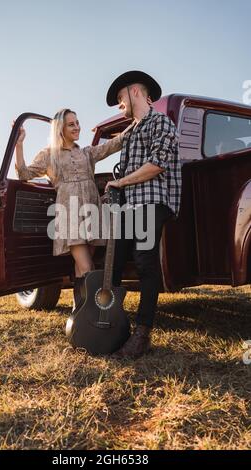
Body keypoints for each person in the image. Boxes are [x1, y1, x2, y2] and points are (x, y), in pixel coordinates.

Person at [14, 108, 130, 313]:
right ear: (60, 128)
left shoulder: (86, 152)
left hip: (92, 210)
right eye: (71, 124)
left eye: (77, 123)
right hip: (70, 213)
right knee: (87, 268)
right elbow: (24, 174)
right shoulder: (49, 155)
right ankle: (94, 313)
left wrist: (137, 122)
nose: (77, 127)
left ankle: (79, 311)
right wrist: (19, 143)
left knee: (82, 266)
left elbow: (115, 143)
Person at [104, 70, 182, 359]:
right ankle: (110, 326)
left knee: (144, 262)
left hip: (152, 202)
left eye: (120, 98)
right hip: (130, 205)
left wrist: (120, 182)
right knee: (112, 265)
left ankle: (142, 335)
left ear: (135, 92)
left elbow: (157, 165)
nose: (119, 104)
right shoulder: (132, 131)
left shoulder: (160, 122)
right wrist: (116, 188)